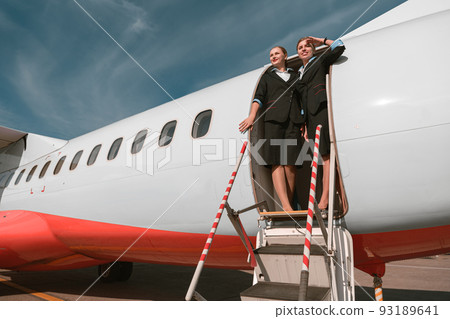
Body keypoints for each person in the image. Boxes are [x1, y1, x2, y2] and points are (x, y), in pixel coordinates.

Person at [239, 46, 305, 211]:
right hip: (273, 121)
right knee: (277, 163)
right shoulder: (267, 78)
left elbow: (302, 99)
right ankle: (287, 205)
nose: (273, 56)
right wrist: (252, 116)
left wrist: (304, 121)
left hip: (293, 121)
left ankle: (287, 202)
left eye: (276, 53)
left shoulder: (296, 76)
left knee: (290, 164)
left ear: (285, 55)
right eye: (271, 55)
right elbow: (258, 98)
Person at [296, 36, 345, 210]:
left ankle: (325, 199)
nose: (304, 49)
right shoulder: (300, 73)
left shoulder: (319, 61)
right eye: (300, 47)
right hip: (310, 117)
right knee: (320, 157)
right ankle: (325, 196)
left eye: (307, 46)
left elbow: (339, 47)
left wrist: (321, 40)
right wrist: (304, 125)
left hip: (321, 110)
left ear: (313, 50)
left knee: (325, 156)